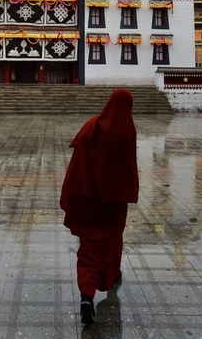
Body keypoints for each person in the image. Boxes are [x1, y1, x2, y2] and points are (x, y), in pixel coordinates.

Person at [60, 89, 138, 325]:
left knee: (88, 250)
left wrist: (76, 190)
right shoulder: (127, 132)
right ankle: (112, 275)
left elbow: (79, 157)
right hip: (114, 204)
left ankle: (86, 295)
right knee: (111, 244)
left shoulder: (93, 125)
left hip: (89, 200)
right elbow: (128, 169)